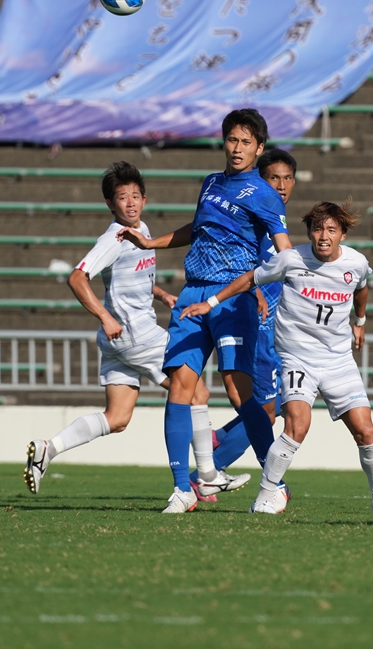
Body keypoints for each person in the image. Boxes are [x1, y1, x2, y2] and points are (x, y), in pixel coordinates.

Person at [118, 109, 292, 514]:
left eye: (246, 142)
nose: (237, 148)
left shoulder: (264, 193)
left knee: (237, 390)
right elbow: (196, 228)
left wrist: (261, 284)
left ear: (259, 148)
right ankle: (182, 489)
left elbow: (283, 251)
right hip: (192, 292)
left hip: (232, 298)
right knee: (181, 385)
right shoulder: (212, 182)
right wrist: (151, 243)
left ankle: (274, 485)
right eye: (232, 139)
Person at [178, 202, 373, 516]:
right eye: (318, 229)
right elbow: (250, 279)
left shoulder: (356, 263)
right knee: (297, 425)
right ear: (309, 232)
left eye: (331, 230)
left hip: (338, 361)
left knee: (366, 431)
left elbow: (361, 289)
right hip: (298, 360)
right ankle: (266, 496)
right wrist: (210, 302)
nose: (324, 236)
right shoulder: (291, 259)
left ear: (342, 235)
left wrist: (359, 321)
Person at [23, 161, 186, 494]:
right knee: (192, 391)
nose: (130, 203)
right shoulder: (114, 238)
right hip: (136, 335)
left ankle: (48, 449)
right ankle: (207, 476)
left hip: (118, 342)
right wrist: (105, 316)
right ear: (110, 204)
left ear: (145, 199)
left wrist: (161, 294)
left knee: (117, 418)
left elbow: (130, 278)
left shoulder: (142, 230)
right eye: (122, 198)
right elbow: (77, 278)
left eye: (135, 196)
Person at [194, 148, 299, 501]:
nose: (281, 185)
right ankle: (208, 473)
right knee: (267, 409)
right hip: (257, 329)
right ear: (259, 183)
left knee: (277, 404)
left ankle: (218, 442)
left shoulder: (275, 223)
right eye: (273, 178)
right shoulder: (252, 222)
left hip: (276, 333)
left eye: (287, 178)